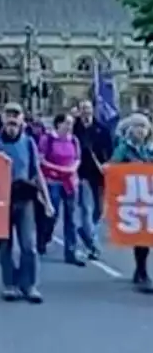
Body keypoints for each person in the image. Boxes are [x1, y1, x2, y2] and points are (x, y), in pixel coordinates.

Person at [0, 103, 49, 304]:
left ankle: (29, 284)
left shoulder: (29, 142)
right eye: (9, 115)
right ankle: (10, 284)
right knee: (5, 246)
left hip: (25, 199)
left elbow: (37, 172)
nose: (12, 120)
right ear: (3, 119)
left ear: (22, 119)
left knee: (28, 245)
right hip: (1, 199)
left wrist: (47, 200)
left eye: (16, 115)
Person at [109, 113, 153, 292]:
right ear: (130, 130)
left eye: (144, 127)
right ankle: (141, 270)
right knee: (140, 235)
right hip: (133, 197)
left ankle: (141, 271)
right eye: (138, 127)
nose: (141, 131)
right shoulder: (123, 149)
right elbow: (114, 165)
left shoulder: (149, 149)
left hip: (148, 196)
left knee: (148, 235)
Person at [36, 113, 86, 266]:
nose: (70, 126)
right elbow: (41, 159)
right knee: (52, 214)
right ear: (58, 124)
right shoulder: (48, 139)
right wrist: (58, 168)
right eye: (67, 123)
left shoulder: (74, 140)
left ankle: (70, 252)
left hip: (70, 182)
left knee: (71, 218)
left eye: (71, 123)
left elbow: (77, 158)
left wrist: (72, 168)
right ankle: (43, 238)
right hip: (53, 180)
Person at [73, 100, 111, 260]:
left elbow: (110, 150)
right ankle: (94, 245)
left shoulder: (102, 129)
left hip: (100, 174)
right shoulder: (74, 129)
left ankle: (86, 231)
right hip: (82, 174)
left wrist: (108, 165)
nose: (86, 111)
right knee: (86, 210)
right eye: (83, 109)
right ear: (79, 111)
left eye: (88, 108)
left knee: (100, 211)